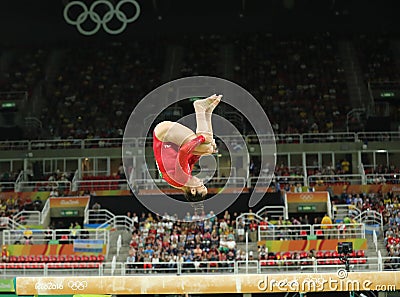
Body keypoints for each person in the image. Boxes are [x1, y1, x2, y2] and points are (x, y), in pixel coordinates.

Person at [153, 94, 221, 203]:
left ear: (193, 190)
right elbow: (191, 158)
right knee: (208, 149)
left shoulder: (181, 179)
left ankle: (200, 108)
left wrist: (201, 138)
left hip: (163, 135)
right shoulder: (183, 181)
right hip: (167, 139)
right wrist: (203, 152)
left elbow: (184, 151)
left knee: (207, 144)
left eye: (202, 186)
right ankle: (208, 112)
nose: (202, 181)